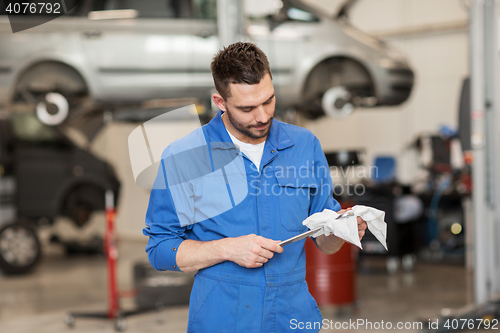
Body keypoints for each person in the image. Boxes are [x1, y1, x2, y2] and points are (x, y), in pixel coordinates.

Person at [143, 42, 367, 332]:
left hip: (292, 316)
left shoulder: (303, 145)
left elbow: (323, 240)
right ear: (220, 102)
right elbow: (160, 248)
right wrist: (227, 249)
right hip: (223, 318)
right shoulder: (185, 157)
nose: (262, 116)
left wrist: (341, 232)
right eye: (247, 108)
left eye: (269, 101)